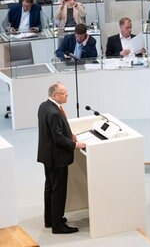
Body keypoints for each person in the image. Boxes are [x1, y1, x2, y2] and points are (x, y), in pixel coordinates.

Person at [37, 82, 86, 234]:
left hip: (47, 155)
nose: (67, 95)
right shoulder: (54, 112)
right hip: (57, 157)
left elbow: (55, 130)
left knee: (50, 187)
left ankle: (50, 219)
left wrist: (69, 135)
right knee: (58, 190)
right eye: (64, 93)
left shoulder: (44, 106)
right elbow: (58, 138)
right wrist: (75, 144)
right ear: (54, 95)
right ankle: (58, 225)